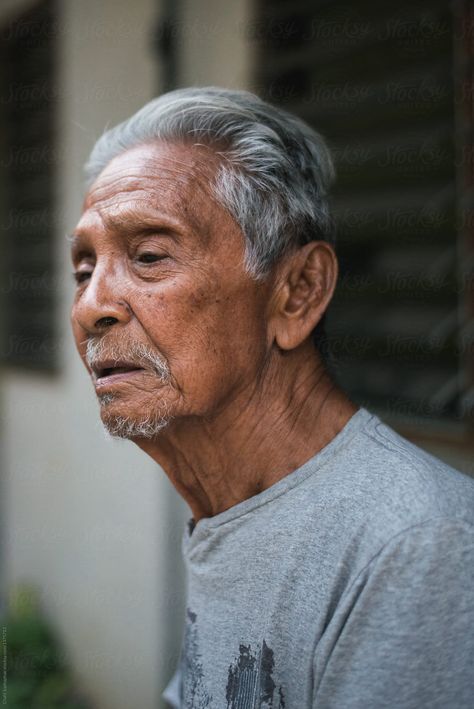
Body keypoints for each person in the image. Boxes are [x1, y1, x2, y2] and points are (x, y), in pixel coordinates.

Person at [70, 87, 474, 709]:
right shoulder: (237, 513)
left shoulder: (419, 548)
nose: (92, 305)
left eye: (149, 256)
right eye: (83, 269)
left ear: (298, 292)